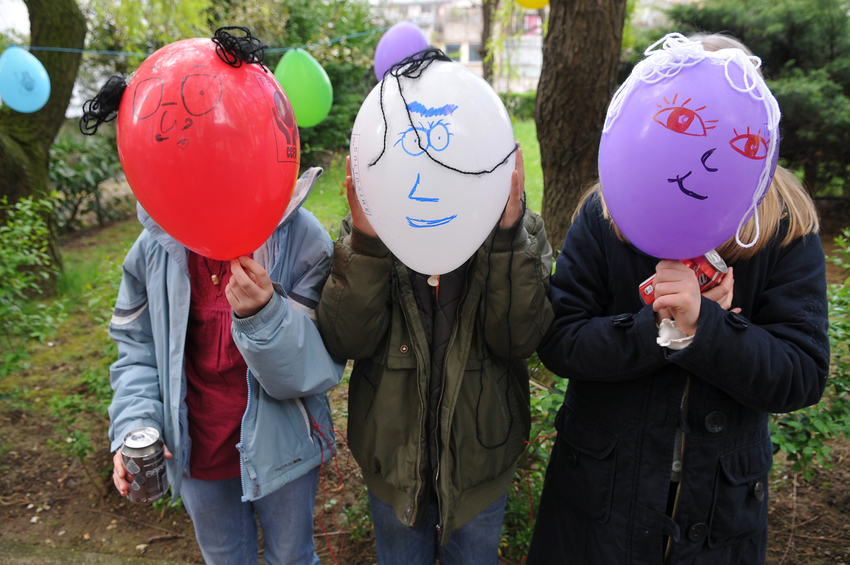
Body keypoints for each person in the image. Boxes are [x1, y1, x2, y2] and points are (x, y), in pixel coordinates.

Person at [526, 34, 830, 565]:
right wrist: (656, 328)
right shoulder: (608, 211)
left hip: (717, 509)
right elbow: (560, 341)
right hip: (603, 494)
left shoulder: (783, 226)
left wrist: (705, 329)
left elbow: (801, 373)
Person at [317, 141, 554, 565]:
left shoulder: (515, 230)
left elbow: (519, 339)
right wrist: (367, 244)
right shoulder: (372, 226)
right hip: (393, 468)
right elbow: (346, 340)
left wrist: (507, 238)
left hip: (480, 469)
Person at [107, 167, 344, 565]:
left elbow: (314, 369)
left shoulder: (302, 240)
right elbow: (137, 349)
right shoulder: (155, 246)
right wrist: (136, 423)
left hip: (284, 450)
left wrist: (266, 316)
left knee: (292, 557)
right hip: (196, 452)